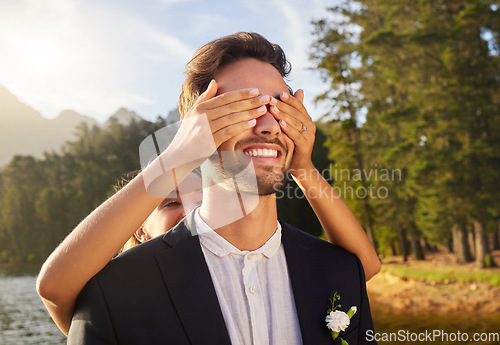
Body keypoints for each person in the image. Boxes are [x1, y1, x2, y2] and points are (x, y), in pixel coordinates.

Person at [40, 32, 378, 344]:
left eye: (279, 106)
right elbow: (55, 288)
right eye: (241, 107)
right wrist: (178, 154)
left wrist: (303, 165)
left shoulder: (339, 271)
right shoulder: (117, 292)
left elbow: (368, 267)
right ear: (195, 131)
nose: (267, 125)